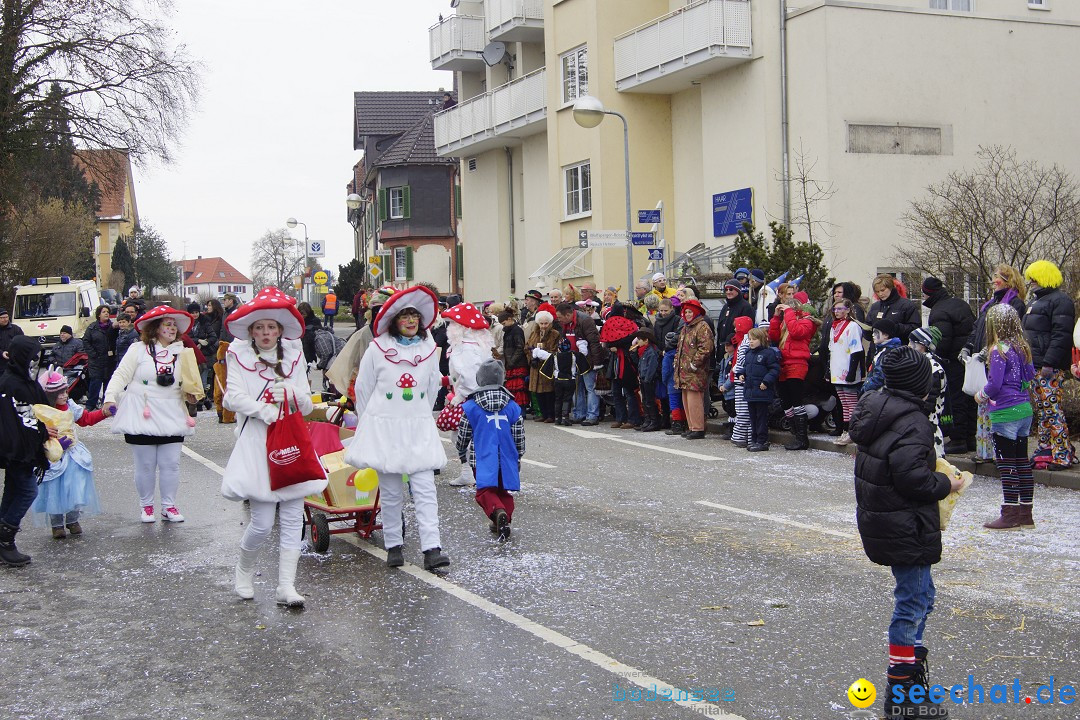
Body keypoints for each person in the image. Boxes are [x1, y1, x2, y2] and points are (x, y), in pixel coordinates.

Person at [849, 346, 964, 719]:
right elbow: (913, 479)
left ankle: (910, 676)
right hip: (905, 524)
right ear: (919, 385)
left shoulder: (875, 406)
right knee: (912, 604)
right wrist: (947, 484)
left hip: (884, 519)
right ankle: (902, 693)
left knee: (921, 596)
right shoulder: (913, 421)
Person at [221, 288, 326, 606]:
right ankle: (243, 570)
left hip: (291, 442)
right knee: (263, 523)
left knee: (294, 519)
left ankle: (286, 587)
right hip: (256, 443)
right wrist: (264, 410)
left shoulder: (294, 355)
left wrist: (292, 395)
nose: (266, 333)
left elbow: (307, 403)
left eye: (271, 327)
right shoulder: (237, 355)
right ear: (251, 330)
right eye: (259, 327)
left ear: (280, 329)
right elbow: (232, 397)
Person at [345, 285, 450, 572]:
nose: (411, 321)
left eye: (415, 315)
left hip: (417, 428)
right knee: (391, 492)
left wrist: (417, 414)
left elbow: (431, 389)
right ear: (394, 320)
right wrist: (372, 422)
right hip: (385, 428)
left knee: (425, 489)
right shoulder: (377, 349)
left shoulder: (429, 350)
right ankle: (394, 545)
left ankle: (432, 548)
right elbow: (364, 389)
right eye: (404, 315)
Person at [103, 306, 200, 523]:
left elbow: (190, 383)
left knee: (171, 463)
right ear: (156, 328)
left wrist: (192, 396)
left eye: (174, 325)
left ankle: (169, 506)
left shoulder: (182, 352)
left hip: (172, 413)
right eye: (167, 324)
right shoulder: (138, 349)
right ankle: (146, 506)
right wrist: (110, 397)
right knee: (146, 464)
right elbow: (121, 374)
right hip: (142, 413)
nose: (172, 328)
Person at [975, 304, 1037, 531]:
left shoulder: (998, 350)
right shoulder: (1023, 348)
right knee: (1021, 461)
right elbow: (1030, 375)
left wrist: (980, 395)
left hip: (1005, 411)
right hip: (1024, 409)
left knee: (1006, 463)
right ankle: (1025, 513)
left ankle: (1009, 513)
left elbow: (995, 384)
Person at [28, 368, 110, 538]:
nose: (65, 395)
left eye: (65, 391)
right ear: (50, 395)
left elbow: (85, 419)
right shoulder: (41, 411)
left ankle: (73, 520)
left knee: (75, 487)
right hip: (53, 457)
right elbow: (34, 433)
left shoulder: (70, 405)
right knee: (54, 490)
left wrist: (104, 413)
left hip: (73, 454)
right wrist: (50, 441)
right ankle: (57, 525)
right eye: (60, 393)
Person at [962, 265, 1027, 462]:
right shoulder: (989, 304)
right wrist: (968, 346)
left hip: (998, 357)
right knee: (983, 406)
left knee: (994, 401)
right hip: (984, 359)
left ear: (1008, 280)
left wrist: (990, 350)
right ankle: (984, 450)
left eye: (997, 278)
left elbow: (1011, 332)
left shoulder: (1015, 303)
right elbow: (978, 329)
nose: (993, 281)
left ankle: (999, 452)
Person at [455, 358, 523, 541]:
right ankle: (503, 520)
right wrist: (519, 455)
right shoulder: (512, 406)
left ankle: (498, 511)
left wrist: (462, 451)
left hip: (483, 457)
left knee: (485, 491)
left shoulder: (471, 407)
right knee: (502, 490)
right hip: (507, 457)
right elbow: (519, 434)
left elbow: (464, 433)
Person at [1020, 260, 1076, 470]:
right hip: (1035, 364)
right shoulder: (1036, 302)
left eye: (1034, 277)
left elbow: (1061, 335)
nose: (1031, 282)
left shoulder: (1060, 301)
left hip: (1048, 366)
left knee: (1052, 411)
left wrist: (1050, 362)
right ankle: (1045, 451)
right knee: (1043, 411)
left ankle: (1062, 455)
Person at [0, 336, 51, 566]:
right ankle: (5, 539)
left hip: (26, 449)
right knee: (27, 492)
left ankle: (2, 542)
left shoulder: (27, 382)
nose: (35, 363)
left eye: (37, 359)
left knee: (12, 491)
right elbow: (11, 421)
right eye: (31, 358)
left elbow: (39, 411)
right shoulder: (10, 384)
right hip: (17, 450)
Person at [920, 277, 976, 455]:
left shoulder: (939, 311)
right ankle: (969, 437)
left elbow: (942, 340)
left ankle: (958, 438)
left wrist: (937, 358)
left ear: (928, 293)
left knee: (956, 399)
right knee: (969, 398)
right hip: (967, 358)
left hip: (952, 361)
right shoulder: (959, 303)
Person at [443, 302, 493, 487]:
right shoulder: (478, 344)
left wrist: (459, 396)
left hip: (470, 399)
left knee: (462, 437)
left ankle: (471, 472)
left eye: (452, 324)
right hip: (482, 396)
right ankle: (474, 473)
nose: (449, 329)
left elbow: (469, 377)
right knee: (474, 436)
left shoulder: (464, 348)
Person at [768, 289, 820, 451]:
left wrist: (789, 313)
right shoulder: (787, 321)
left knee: (796, 401)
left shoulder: (806, 322)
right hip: (784, 364)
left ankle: (802, 438)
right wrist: (776, 317)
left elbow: (797, 333)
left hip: (797, 364)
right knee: (786, 402)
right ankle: (795, 433)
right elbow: (774, 336)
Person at [555, 302, 603, 427]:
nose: (558, 320)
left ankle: (592, 415)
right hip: (573, 360)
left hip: (586, 359)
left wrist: (597, 362)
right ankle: (579, 414)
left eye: (560, 317)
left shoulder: (585, 321)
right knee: (576, 388)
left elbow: (594, 342)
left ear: (568, 315)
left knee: (590, 387)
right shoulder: (565, 323)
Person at [827, 298, 866, 446]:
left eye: (840, 309)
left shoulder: (852, 326)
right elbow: (832, 349)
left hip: (848, 369)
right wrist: (828, 370)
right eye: (835, 309)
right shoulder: (833, 326)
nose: (837, 312)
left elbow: (856, 350)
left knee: (851, 403)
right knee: (843, 403)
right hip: (837, 370)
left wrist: (852, 371)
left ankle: (853, 431)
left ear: (848, 310)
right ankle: (845, 430)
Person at [674, 298, 714, 440]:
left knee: (694, 399)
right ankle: (691, 426)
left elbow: (706, 348)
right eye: (686, 312)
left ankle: (698, 427)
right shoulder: (686, 327)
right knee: (686, 399)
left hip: (696, 370)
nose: (688, 314)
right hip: (684, 369)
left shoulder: (702, 326)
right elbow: (680, 348)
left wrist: (695, 363)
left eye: (691, 311)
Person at [908, 327, 948, 459]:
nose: (909, 346)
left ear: (922, 345)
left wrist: (918, 415)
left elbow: (930, 399)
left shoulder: (933, 367)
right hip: (916, 420)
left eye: (913, 343)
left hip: (928, 422)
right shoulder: (917, 363)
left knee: (933, 460)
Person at [741, 328, 780, 452]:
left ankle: (761, 440)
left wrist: (766, 381)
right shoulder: (748, 353)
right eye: (750, 339)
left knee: (761, 417)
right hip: (750, 390)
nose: (751, 342)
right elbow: (746, 367)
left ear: (761, 340)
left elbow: (774, 369)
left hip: (762, 390)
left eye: (754, 339)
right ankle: (754, 439)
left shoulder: (768, 353)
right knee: (752, 417)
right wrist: (741, 374)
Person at [525, 310, 561, 423]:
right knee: (538, 392)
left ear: (550, 323)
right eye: (541, 323)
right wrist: (532, 357)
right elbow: (527, 347)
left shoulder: (555, 334)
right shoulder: (534, 333)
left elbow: (555, 349)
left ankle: (551, 414)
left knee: (549, 392)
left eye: (546, 323)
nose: (543, 326)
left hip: (547, 366)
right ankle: (543, 414)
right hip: (535, 366)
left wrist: (543, 353)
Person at [866, 274, 920, 346]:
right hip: (876, 350)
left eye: (882, 290)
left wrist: (895, 328)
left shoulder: (906, 305)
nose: (880, 294)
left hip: (899, 350)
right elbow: (868, 325)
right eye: (877, 292)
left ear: (891, 288)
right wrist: (866, 331)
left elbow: (915, 328)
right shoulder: (875, 307)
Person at [81, 305, 116, 410]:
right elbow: (86, 341)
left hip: (110, 361)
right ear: (98, 315)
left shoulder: (113, 327)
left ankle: (107, 404)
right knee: (95, 383)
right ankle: (91, 404)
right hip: (96, 361)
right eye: (104, 312)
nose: (106, 313)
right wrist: (93, 354)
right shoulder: (92, 327)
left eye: (107, 312)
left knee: (109, 384)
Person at [214, 293, 241, 424]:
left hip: (232, 346)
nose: (224, 302)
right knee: (221, 379)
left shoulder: (237, 311)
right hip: (223, 345)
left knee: (230, 379)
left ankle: (231, 412)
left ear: (231, 300)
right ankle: (222, 411)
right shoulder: (226, 312)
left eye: (225, 300)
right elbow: (222, 329)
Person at [728, 316, 754, 447]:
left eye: (736, 326)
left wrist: (737, 371)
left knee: (743, 410)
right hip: (739, 378)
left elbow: (742, 361)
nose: (734, 329)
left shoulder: (745, 342)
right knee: (742, 410)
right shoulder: (741, 342)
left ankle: (741, 436)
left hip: (742, 379)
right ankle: (741, 436)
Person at [861, 318, 903, 395]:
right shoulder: (882, 349)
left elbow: (879, 377)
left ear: (886, 335)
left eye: (876, 332)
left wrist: (865, 389)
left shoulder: (889, 352)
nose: (873, 335)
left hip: (881, 394)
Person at [715, 279, 753, 363]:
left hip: (737, 350)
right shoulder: (725, 307)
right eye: (726, 290)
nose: (728, 292)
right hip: (723, 350)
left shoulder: (745, 307)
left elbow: (746, 331)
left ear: (738, 291)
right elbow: (720, 329)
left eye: (731, 289)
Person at [632, 328, 662, 432]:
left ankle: (654, 421)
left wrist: (647, 378)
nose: (638, 342)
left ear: (646, 341)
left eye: (640, 340)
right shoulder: (642, 351)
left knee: (650, 400)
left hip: (649, 380)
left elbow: (652, 366)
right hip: (643, 379)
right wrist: (633, 353)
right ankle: (647, 420)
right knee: (644, 400)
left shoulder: (651, 351)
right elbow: (638, 364)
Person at [498, 309, 529, 408]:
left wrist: (512, 361)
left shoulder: (516, 330)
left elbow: (520, 347)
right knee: (512, 388)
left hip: (517, 364)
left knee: (518, 388)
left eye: (504, 323)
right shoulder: (508, 331)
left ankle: (520, 409)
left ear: (509, 319)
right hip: (511, 363)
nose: (503, 325)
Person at [0, 308, 25, 376]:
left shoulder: (16, 329)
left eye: (6, 317)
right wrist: (2, 353)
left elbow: (22, 342)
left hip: (14, 362)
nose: (5, 319)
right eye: (2, 318)